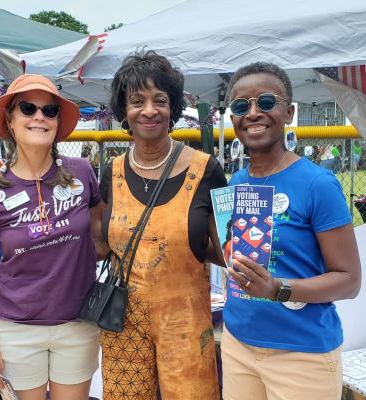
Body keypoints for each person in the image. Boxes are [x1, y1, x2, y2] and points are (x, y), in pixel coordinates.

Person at [222, 62, 362, 400]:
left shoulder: (318, 184)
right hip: (238, 342)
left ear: (289, 112)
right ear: (233, 119)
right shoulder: (238, 182)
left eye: (266, 102)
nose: (253, 112)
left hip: (301, 354)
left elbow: (349, 280)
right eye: (242, 106)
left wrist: (278, 289)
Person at [0, 74, 103, 400]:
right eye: (28, 108)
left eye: (50, 110)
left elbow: (100, 238)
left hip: (78, 322)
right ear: (10, 121)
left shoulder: (83, 172)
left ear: (57, 121)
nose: (39, 116)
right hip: (17, 329)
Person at [98, 50, 226, 400]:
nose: (149, 110)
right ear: (124, 111)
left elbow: (226, 249)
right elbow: (99, 242)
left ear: (172, 109)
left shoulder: (206, 170)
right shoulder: (111, 173)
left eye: (160, 100)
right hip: (123, 319)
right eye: (137, 101)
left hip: (185, 320)